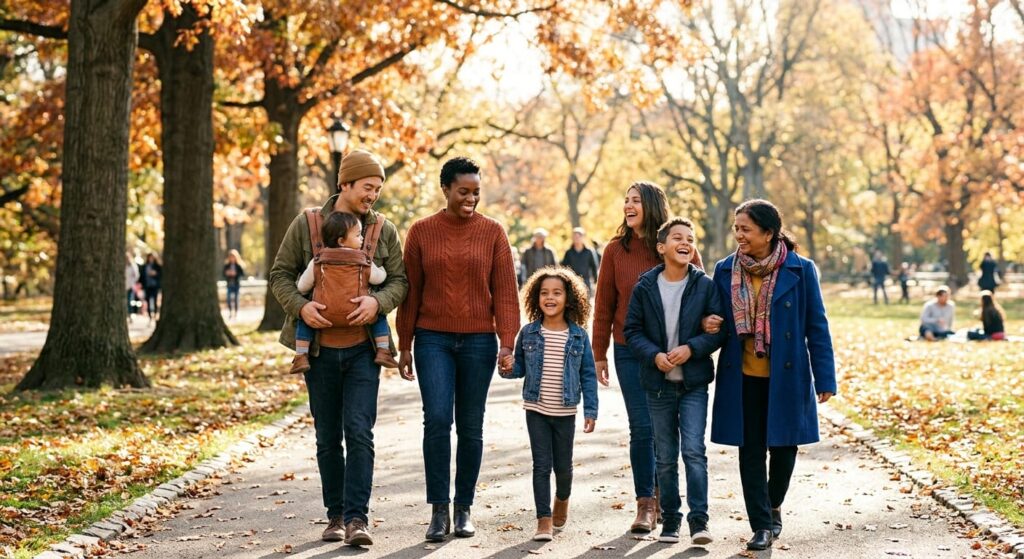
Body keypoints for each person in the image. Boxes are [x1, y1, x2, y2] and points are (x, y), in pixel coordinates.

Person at [268, 149, 408, 547]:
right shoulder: (307, 224)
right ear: (344, 184)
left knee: (359, 431)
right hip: (319, 352)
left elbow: (399, 280)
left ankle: (357, 519)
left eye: (378, 189)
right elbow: (280, 275)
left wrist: (377, 303)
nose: (373, 195)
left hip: (364, 350)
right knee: (328, 437)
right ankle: (335, 516)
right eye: (367, 187)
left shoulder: (383, 229)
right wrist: (301, 307)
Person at [396, 156, 520, 542]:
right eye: (463, 191)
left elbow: (505, 291)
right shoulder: (421, 232)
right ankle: (439, 509)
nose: (471, 199)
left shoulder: (493, 232)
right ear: (446, 189)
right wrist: (404, 344)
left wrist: (507, 342)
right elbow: (411, 292)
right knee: (436, 419)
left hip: (479, 341)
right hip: (432, 338)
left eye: (476, 192)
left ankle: (464, 506)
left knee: (470, 424)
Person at [702, 199, 837, 552]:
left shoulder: (801, 269)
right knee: (750, 451)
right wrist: (708, 322)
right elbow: (715, 318)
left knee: (784, 449)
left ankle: (773, 503)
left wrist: (825, 378)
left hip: (786, 376)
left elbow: (817, 326)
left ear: (768, 233)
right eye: (736, 228)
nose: (739, 235)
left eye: (746, 229)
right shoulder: (725, 269)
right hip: (742, 376)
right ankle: (761, 524)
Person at [591, 181, 703, 534]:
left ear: (652, 205)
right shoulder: (615, 250)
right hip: (629, 350)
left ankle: (668, 501)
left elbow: (702, 294)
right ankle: (646, 504)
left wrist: (706, 326)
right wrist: (598, 354)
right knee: (641, 427)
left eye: (636, 200)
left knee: (666, 429)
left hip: (673, 353)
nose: (628, 205)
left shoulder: (676, 243)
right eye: (626, 200)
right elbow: (604, 305)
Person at [623, 217, 726, 546]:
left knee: (694, 451)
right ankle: (671, 519)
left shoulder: (704, 285)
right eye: (678, 237)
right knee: (665, 457)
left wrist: (691, 348)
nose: (685, 243)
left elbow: (719, 330)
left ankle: (699, 521)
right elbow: (632, 331)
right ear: (661, 247)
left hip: (693, 383)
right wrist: (654, 355)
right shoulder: (645, 287)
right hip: (658, 385)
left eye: (690, 239)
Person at [500, 266, 598, 542]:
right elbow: (519, 368)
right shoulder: (529, 333)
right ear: (536, 298)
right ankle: (543, 520)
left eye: (557, 293)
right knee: (541, 466)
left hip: (565, 411)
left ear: (569, 298)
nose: (550, 298)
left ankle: (562, 499)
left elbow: (588, 375)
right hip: (537, 410)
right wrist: (508, 366)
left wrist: (591, 409)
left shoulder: (578, 335)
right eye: (544, 293)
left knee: (563, 468)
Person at [289, 211, 399, 375]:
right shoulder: (362, 259)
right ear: (341, 240)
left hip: (323, 313)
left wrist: (304, 300)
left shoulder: (318, 260)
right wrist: (382, 270)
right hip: (357, 312)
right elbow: (378, 279)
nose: (362, 238)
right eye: (358, 235)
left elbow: (302, 287)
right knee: (378, 314)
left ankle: (301, 355)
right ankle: (383, 350)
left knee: (304, 318)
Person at [561, 227, 599, 294]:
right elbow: (564, 267)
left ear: (583, 237)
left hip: (586, 282)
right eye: (575, 237)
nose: (577, 239)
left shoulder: (589, 251)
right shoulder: (569, 252)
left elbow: (594, 266)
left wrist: (596, 280)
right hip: (572, 281)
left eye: (578, 237)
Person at [223, 250, 245, 319]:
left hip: (236, 284)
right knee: (229, 299)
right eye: (230, 257)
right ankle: (230, 312)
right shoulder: (227, 265)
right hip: (229, 284)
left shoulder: (238, 266)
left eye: (233, 257)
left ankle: (235, 313)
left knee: (236, 299)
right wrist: (227, 273)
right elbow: (223, 273)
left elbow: (242, 274)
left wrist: (236, 274)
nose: (232, 258)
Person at [140, 253, 162, 323]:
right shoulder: (145, 266)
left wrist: (155, 274)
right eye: (150, 257)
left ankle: (155, 314)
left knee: (155, 300)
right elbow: (142, 276)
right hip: (147, 286)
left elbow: (161, 274)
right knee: (148, 301)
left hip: (154, 286)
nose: (151, 259)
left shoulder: (157, 266)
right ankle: (150, 316)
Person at [125, 252, 140, 321]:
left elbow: (136, 275)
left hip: (130, 286)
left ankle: (130, 314)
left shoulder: (133, 266)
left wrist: (132, 282)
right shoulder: (123, 265)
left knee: (129, 301)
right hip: (124, 286)